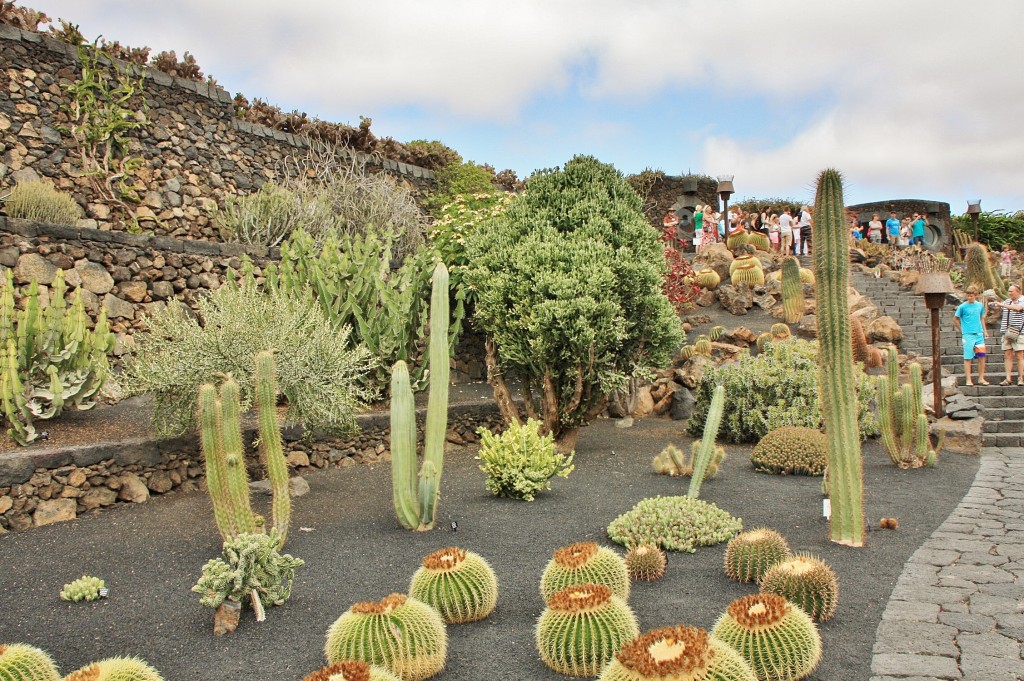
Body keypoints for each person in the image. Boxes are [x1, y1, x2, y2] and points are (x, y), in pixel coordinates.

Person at [954, 285, 989, 386]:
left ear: (975, 295)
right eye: (968, 295)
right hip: (968, 335)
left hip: (979, 334)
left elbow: (981, 318)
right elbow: (955, 319)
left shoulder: (979, 306)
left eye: (971, 295)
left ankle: (981, 378)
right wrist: (962, 330)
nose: (969, 297)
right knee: (968, 357)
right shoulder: (962, 307)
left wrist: (985, 331)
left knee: (981, 356)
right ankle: (968, 379)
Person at [995, 284, 1024, 385]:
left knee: (1019, 355)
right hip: (1006, 332)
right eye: (1009, 291)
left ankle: (1021, 378)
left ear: (1018, 291)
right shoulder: (1007, 301)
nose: (1010, 293)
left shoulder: (1022, 300)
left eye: (1012, 291)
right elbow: (998, 307)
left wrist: (1002, 305)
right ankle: (1008, 378)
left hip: (1019, 332)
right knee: (1007, 355)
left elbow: (1018, 308)